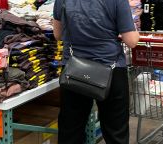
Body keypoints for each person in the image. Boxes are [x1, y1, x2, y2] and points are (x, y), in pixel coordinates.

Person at [52, 0, 140, 143]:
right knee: (116, 133)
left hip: (74, 70)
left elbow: (58, 34)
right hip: (110, 70)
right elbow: (131, 41)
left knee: (71, 131)